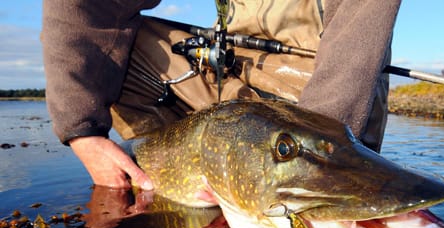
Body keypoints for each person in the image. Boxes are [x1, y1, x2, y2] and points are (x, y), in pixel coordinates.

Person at [42, 0, 401, 190]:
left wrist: (320, 157)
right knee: (103, 53)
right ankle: (165, 188)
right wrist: (82, 131)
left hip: (324, 82)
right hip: (231, 70)